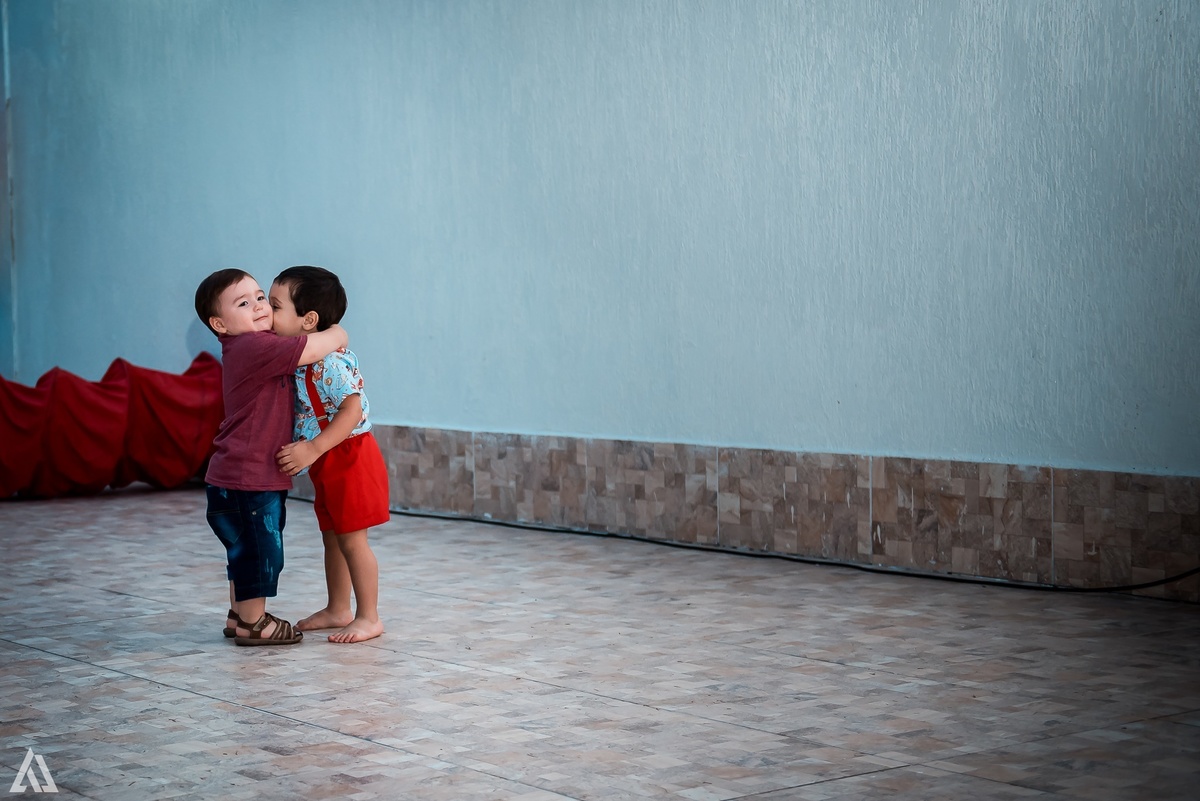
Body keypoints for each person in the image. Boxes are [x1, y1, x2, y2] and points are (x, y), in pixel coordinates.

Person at [194, 269, 348, 646]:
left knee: (243, 549)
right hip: (250, 479)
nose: (259, 306)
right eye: (243, 303)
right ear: (220, 324)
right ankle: (253, 623)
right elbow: (312, 348)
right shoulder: (253, 347)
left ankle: (238, 614)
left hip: (233, 477)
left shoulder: (249, 347)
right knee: (262, 552)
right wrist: (338, 333)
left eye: (261, 297)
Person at [270, 266, 388, 644]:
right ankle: (338, 607)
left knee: (353, 540)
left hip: (350, 456)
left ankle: (369, 616)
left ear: (308, 321)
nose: (266, 313)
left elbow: (352, 409)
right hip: (328, 460)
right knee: (332, 537)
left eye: (274, 305)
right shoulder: (304, 358)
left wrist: (313, 447)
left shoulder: (328, 362)